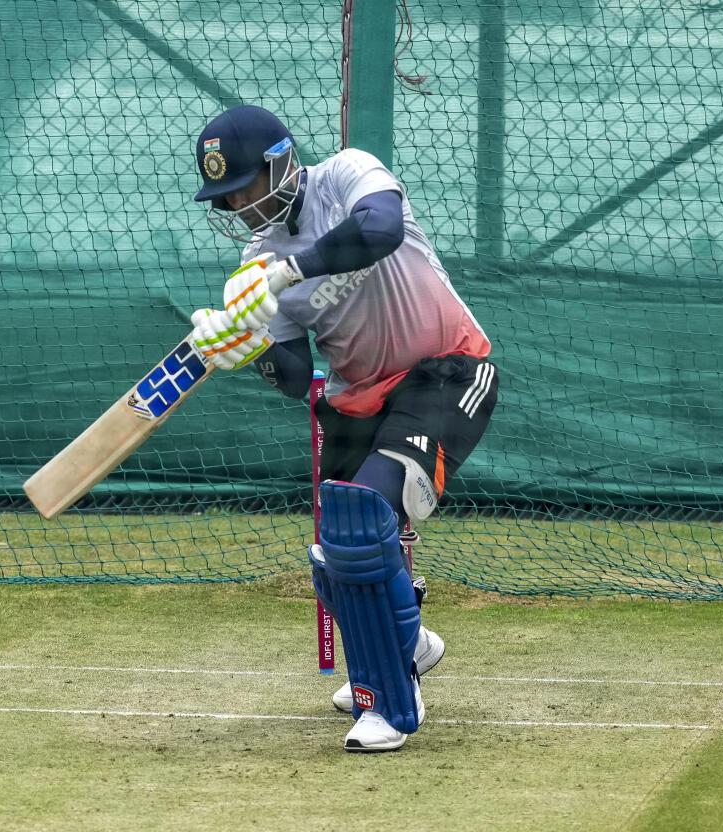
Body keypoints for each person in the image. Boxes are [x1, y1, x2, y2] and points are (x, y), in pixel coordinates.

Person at [188, 104, 498, 752]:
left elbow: (380, 229)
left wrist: (294, 270)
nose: (241, 207)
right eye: (226, 198)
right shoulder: (254, 265)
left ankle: (392, 694)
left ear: (281, 163)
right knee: (335, 552)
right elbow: (299, 376)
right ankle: (404, 641)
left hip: (446, 370)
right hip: (358, 401)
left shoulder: (348, 174)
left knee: (366, 517)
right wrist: (248, 348)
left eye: (245, 187)